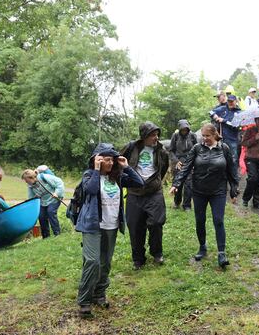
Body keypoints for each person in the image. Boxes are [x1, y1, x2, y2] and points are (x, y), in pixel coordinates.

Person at [74, 143, 143, 318]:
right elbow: (90, 190)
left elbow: (138, 182)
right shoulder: (89, 175)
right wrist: (97, 169)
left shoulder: (117, 177)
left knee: (105, 263)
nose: (110, 163)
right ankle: (84, 301)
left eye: (112, 160)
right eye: (106, 160)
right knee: (92, 261)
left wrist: (126, 166)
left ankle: (99, 294)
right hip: (92, 225)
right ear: (97, 160)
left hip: (111, 225)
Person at [171, 123, 239, 268]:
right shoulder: (197, 148)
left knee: (218, 220)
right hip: (199, 191)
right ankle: (202, 247)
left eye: (208, 136)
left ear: (215, 134)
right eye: (203, 136)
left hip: (218, 191)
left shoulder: (224, 148)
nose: (205, 138)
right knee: (200, 221)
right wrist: (176, 184)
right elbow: (186, 168)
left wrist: (234, 189)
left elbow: (232, 170)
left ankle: (221, 253)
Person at [121, 121, 170, 269]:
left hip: (154, 193)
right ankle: (138, 258)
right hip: (134, 194)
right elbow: (119, 163)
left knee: (156, 223)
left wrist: (154, 183)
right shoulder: (131, 148)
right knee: (135, 227)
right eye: (152, 135)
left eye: (157, 135)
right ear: (143, 136)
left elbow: (163, 169)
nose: (156, 138)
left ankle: (157, 253)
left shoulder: (161, 151)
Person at [21, 168, 65, 239]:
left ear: (31, 178)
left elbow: (59, 182)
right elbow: (31, 197)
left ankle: (57, 234)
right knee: (41, 216)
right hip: (43, 201)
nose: (26, 182)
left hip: (54, 198)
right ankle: (46, 236)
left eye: (26, 180)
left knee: (50, 212)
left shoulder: (43, 177)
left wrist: (57, 193)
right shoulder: (30, 185)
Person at [241, 115, 259, 209]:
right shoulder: (250, 130)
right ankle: (246, 198)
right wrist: (254, 138)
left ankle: (257, 201)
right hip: (251, 158)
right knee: (253, 178)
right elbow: (244, 143)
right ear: (255, 120)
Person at [209, 94, 242, 174]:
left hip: (233, 140)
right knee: (221, 160)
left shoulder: (239, 112)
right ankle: (223, 178)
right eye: (229, 101)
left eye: (232, 101)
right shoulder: (223, 109)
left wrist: (224, 120)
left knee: (233, 160)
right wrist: (215, 116)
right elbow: (211, 111)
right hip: (222, 139)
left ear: (235, 102)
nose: (230, 103)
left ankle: (234, 179)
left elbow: (236, 126)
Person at [170, 119, 198, 210]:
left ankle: (187, 205)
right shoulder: (175, 136)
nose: (184, 131)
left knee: (188, 184)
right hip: (178, 162)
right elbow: (171, 151)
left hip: (190, 161)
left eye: (186, 129)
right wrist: (176, 161)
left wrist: (194, 162)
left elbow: (197, 149)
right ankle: (177, 202)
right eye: (182, 129)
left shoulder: (193, 136)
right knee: (178, 182)